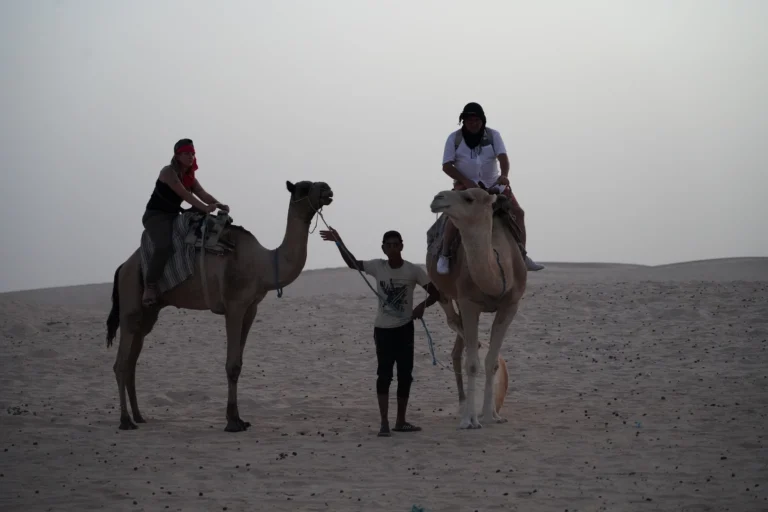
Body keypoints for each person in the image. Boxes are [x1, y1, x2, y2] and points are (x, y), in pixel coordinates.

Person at [319, 227, 441, 437]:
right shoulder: (378, 266)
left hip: (405, 329)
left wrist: (422, 306)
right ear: (383, 248)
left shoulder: (413, 271)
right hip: (383, 330)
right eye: (388, 245)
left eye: (396, 244)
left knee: (405, 376)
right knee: (384, 375)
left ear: (402, 246)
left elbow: (435, 293)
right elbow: (352, 263)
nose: (393, 248)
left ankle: (400, 421)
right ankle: (384, 422)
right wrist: (338, 241)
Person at [437, 102, 544, 274]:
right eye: (469, 119)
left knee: (518, 213)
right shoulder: (454, 139)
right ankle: (445, 256)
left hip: (494, 185)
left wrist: (505, 175)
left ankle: (522, 255)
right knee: (454, 216)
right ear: (463, 121)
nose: (474, 122)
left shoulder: (493, 136)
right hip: (466, 187)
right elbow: (446, 166)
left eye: (477, 119)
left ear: (482, 120)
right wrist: (466, 180)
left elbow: (503, 158)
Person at [141, 138, 229, 306]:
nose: (191, 157)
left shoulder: (190, 177)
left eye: (193, 154)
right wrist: (205, 208)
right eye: (187, 153)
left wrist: (219, 205)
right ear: (177, 155)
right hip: (156, 216)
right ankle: (150, 285)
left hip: (173, 215)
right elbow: (185, 195)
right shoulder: (168, 172)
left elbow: (202, 193)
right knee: (163, 246)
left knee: (203, 225)